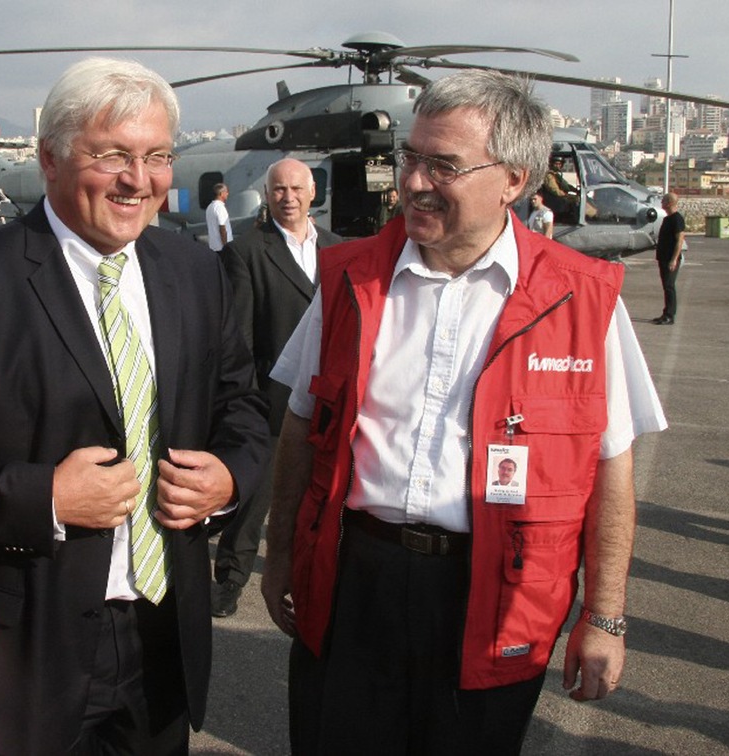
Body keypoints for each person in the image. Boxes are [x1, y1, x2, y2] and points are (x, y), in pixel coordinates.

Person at [260, 69, 667, 755]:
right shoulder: (348, 280)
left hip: (495, 593)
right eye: (410, 157)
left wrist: (606, 618)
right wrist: (278, 561)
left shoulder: (583, 301)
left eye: (443, 165)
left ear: (514, 178)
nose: (414, 182)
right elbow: (302, 426)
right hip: (358, 579)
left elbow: (610, 470)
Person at [0, 57, 269, 755]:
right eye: (114, 156)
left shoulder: (194, 272)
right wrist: (45, 496)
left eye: (158, 156)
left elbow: (242, 406)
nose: (141, 180)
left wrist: (228, 481)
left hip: (164, 634)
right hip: (31, 645)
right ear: (49, 160)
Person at [211, 158, 343, 618]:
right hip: (274, 404)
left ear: (312, 194)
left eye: (295, 189)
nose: (288, 198)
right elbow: (240, 339)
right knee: (254, 503)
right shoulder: (247, 252)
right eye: (278, 190)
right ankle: (229, 581)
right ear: (267, 197)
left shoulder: (338, 250)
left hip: (331, 399)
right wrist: (246, 403)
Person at [652, 192, 685, 325]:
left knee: (669, 286)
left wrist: (674, 259)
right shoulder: (667, 219)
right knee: (666, 286)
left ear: (670, 203)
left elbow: (679, 240)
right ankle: (666, 313)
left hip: (670, 259)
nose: (662, 203)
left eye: (664, 201)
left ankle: (670, 315)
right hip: (663, 258)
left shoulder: (677, 219)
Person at [205, 182, 233, 251]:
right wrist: (226, 246)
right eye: (226, 192)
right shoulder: (220, 207)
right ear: (221, 194)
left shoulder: (210, 207)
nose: (227, 194)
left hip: (213, 247)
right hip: (222, 248)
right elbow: (222, 228)